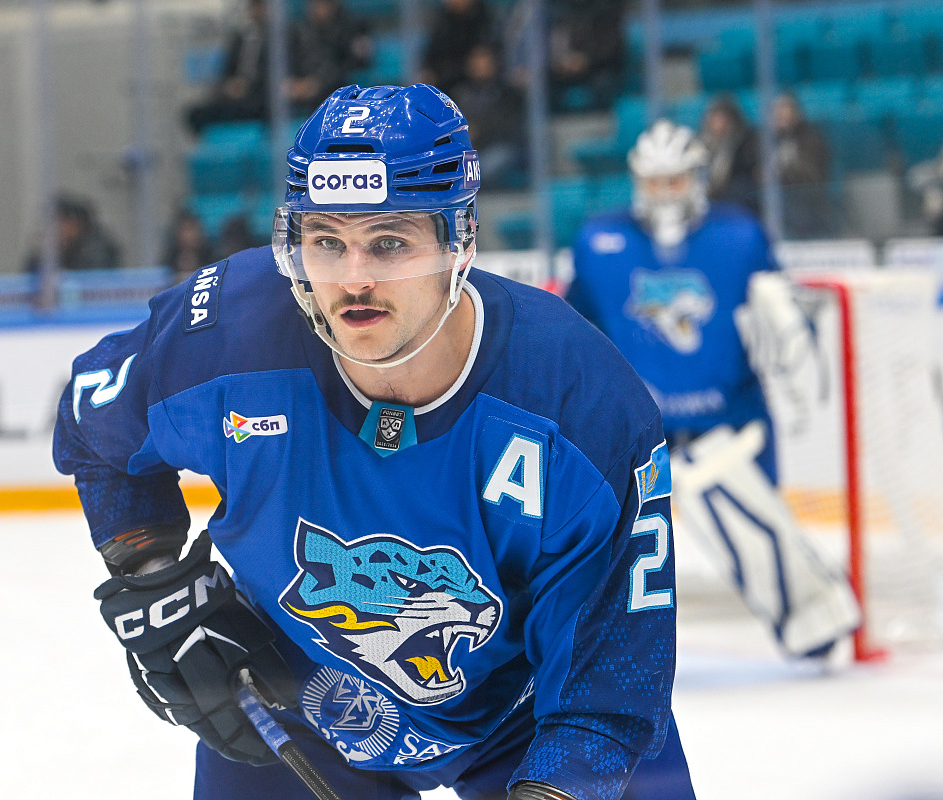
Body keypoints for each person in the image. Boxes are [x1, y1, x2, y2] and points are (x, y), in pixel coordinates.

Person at [54, 84, 695, 800]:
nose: (353, 279)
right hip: (298, 698)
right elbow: (93, 427)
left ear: (459, 241)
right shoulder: (227, 336)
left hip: (531, 716)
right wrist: (153, 578)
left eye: (389, 242)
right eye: (327, 242)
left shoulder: (579, 401)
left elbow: (607, 688)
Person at [564, 120, 860, 661]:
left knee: (756, 527)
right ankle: (589, 646)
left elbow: (778, 319)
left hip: (730, 423)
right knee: (596, 544)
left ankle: (814, 619)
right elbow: (577, 329)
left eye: (675, 180)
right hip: (639, 431)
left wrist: (792, 345)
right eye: (654, 181)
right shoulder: (598, 242)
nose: (664, 193)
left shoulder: (740, 236)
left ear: (697, 177)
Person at [186, 0, 273, 135]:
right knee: (196, 113)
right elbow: (226, 72)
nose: (257, 12)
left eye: (261, 8)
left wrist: (249, 86)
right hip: (236, 97)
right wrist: (229, 86)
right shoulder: (239, 38)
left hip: (261, 96)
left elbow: (275, 75)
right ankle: (216, 144)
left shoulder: (279, 39)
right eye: (254, 8)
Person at [449, 42, 526, 190]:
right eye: (475, 59)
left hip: (500, 146)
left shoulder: (507, 93)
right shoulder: (461, 93)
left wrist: (478, 131)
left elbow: (508, 127)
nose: (479, 64)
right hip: (468, 148)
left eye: (484, 59)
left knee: (486, 165)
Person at [286, 0, 372, 116]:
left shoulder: (351, 28)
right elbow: (290, 60)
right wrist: (295, 83)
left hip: (334, 89)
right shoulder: (299, 31)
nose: (318, 8)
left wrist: (317, 83)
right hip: (303, 89)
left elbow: (349, 65)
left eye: (323, 4)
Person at [771, 93, 835, 239]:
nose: (780, 117)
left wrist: (780, 174)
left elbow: (810, 173)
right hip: (777, 194)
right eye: (777, 114)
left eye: (784, 113)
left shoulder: (810, 138)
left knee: (797, 209)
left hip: (805, 195)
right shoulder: (770, 141)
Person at [26, 194, 122, 273]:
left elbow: (92, 283)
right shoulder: (50, 250)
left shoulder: (97, 251)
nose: (51, 228)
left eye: (57, 222)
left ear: (74, 224)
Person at [418, 0, 496, 96]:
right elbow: (430, 57)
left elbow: (485, 60)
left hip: (471, 84)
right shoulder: (442, 22)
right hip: (445, 81)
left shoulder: (484, 23)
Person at [700, 93, 760, 217]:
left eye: (721, 118)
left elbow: (748, 173)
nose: (717, 123)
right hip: (711, 198)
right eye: (714, 118)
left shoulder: (744, 142)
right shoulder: (702, 144)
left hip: (737, 198)